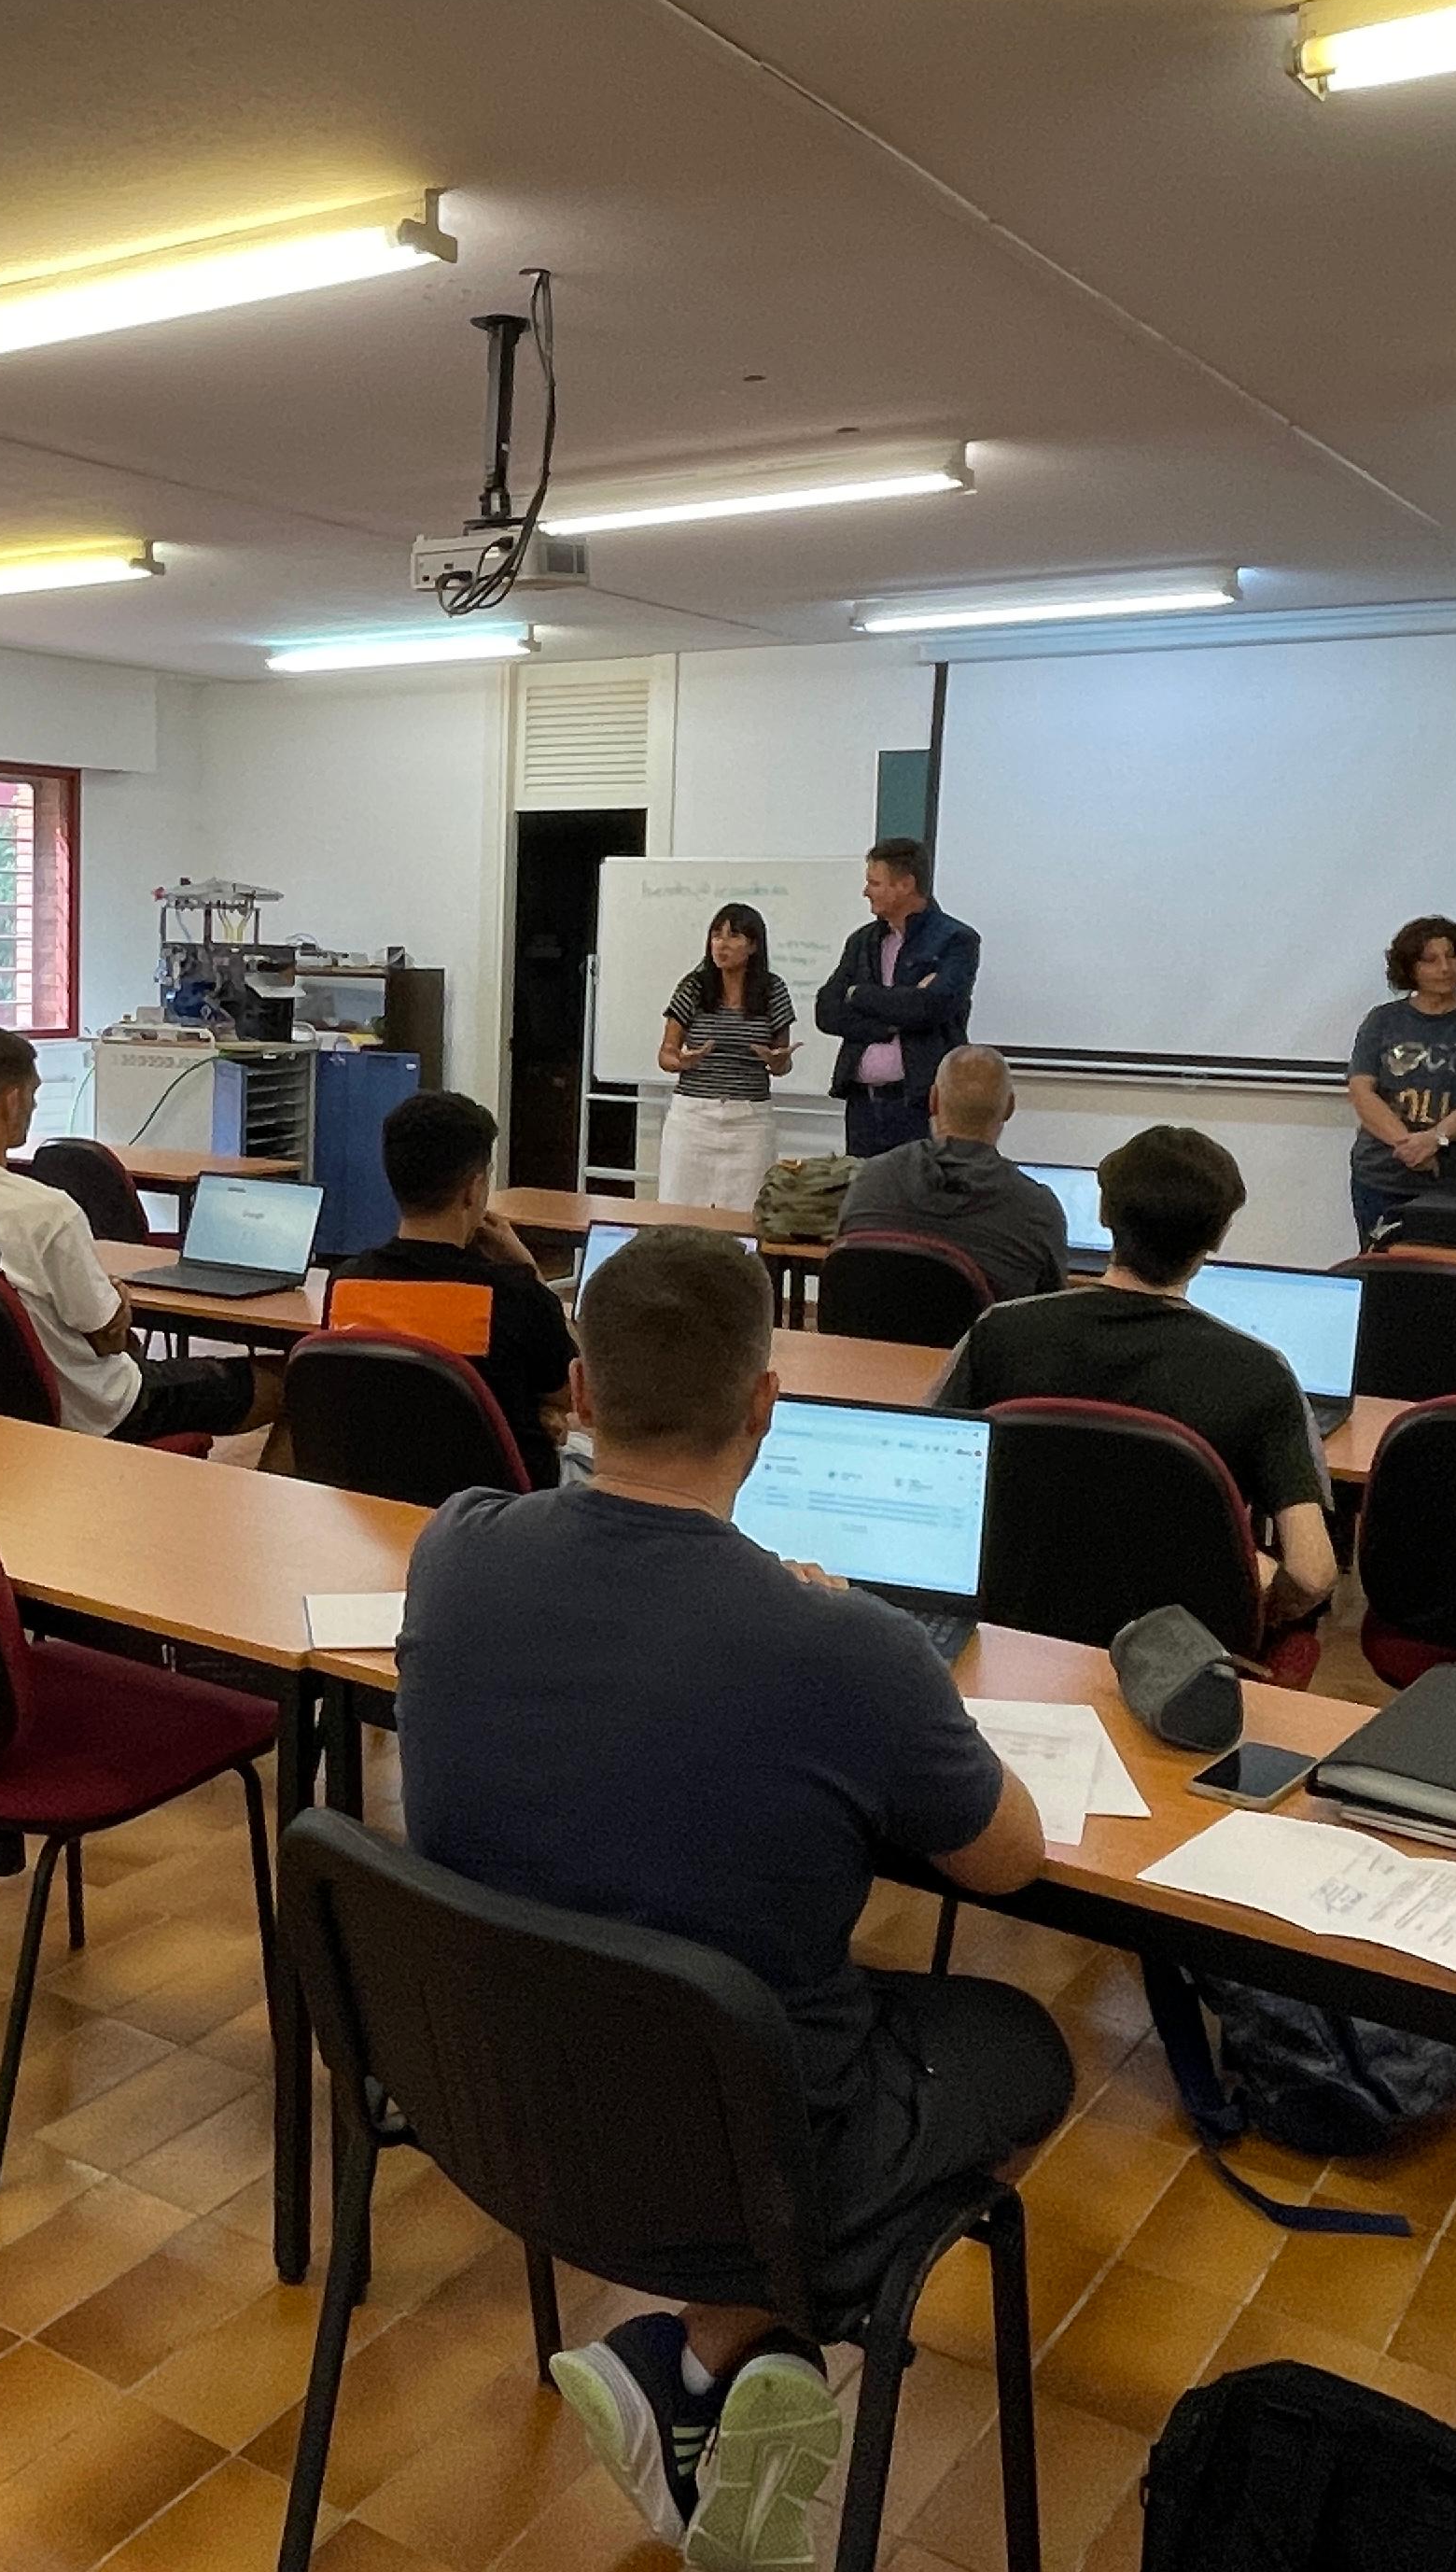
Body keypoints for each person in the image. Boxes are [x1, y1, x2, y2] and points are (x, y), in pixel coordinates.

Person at [398, 1230, 1060, 2565]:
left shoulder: (455, 1547)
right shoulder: (849, 1649)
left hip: (494, 2093)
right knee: (1025, 2049)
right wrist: (865, 1672)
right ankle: (721, 2344)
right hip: (747, 2140)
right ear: (765, 1404)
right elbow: (1011, 1861)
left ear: (577, 1392)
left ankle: (698, 2360)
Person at [938, 1125, 1336, 1635]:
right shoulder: (1262, 1373)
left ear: (1105, 1215)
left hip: (1010, 1632)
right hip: (1182, 1656)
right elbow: (1312, 1572)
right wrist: (1256, 1600)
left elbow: (934, 1477)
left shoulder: (1000, 1332)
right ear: (1217, 1236)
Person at [0, 1025, 278, 1444]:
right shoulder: (46, 1212)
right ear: (13, 1100)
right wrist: (117, 1303)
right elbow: (107, 1337)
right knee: (292, 1382)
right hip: (99, 1412)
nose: (34, 1105)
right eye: (33, 1095)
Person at [334, 1089, 576, 1485]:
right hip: (498, 1512)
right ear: (473, 1188)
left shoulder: (346, 1283)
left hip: (376, 1501)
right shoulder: (514, 1294)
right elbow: (574, 1392)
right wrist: (531, 1271)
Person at [834, 1044, 1069, 1303]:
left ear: (932, 1100)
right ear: (1009, 1108)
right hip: (976, 1344)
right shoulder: (1036, 1211)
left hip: (864, 1343)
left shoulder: (871, 1181)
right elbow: (1050, 1311)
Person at [1343, 917, 1456, 1244]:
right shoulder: (1383, 1019)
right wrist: (1409, 1146)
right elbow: (1361, 1090)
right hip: (1383, 1177)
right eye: (1430, 960)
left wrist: (1435, 1139)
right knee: (1384, 1275)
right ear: (1410, 968)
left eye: (1452, 956)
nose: (1445, 967)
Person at [815, 838, 980, 1160]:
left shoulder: (956, 940)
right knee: (866, 1199)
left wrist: (859, 994)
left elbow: (931, 1008)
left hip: (919, 1105)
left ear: (905, 884)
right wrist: (892, 1017)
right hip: (862, 1105)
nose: (866, 892)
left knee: (918, 1198)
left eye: (874, 882)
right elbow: (827, 1011)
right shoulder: (862, 941)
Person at [654, 903, 796, 1209]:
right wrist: (682, 1061)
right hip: (693, 1118)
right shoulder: (693, 986)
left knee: (746, 1217)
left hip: (750, 1122)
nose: (722, 944)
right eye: (716, 936)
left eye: (733, 937)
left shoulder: (773, 990)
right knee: (678, 1212)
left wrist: (776, 1061)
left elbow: (781, 1061)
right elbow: (665, 1054)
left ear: (754, 945)